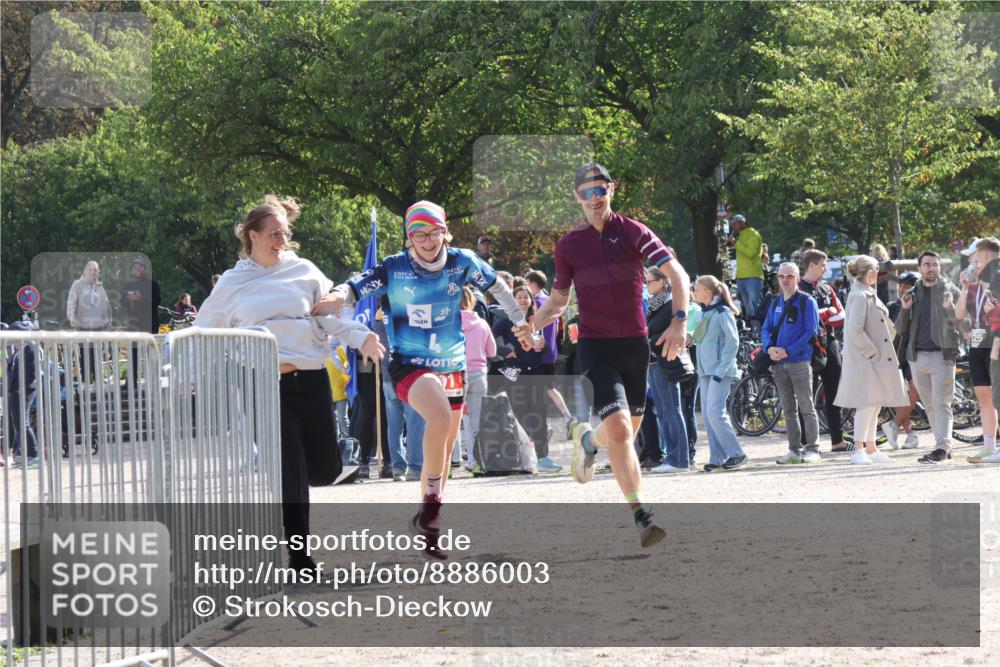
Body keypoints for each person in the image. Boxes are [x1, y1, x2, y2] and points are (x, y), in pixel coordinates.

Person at [316, 200, 527, 559]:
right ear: (408, 238)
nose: (428, 241)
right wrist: (336, 296)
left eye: (434, 233)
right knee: (440, 418)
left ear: (445, 232)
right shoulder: (394, 268)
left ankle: (428, 521)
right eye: (418, 234)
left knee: (444, 452)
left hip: (453, 363)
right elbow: (354, 287)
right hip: (407, 363)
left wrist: (520, 320)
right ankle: (429, 515)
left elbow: (499, 289)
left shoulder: (463, 261)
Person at [196, 194, 384, 573]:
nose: (281, 241)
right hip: (263, 383)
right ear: (251, 235)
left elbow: (330, 317)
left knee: (325, 469)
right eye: (273, 234)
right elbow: (203, 330)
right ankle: (300, 556)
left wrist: (361, 337)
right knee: (290, 470)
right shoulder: (233, 282)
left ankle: (301, 491)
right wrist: (187, 376)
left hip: (311, 379)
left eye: (285, 233)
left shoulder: (304, 271)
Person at [518, 162, 690, 548]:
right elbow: (560, 300)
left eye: (601, 190)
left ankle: (588, 442)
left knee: (621, 432)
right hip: (595, 346)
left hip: (635, 344)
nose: (595, 199)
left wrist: (679, 321)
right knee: (622, 431)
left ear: (612, 190)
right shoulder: (568, 246)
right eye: (587, 193)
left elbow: (677, 275)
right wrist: (534, 324)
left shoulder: (633, 232)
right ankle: (642, 515)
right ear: (576, 197)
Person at [834, 256, 909, 464]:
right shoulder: (859, 294)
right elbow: (854, 330)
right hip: (867, 360)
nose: (878, 272)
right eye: (875, 269)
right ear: (868, 271)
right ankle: (859, 449)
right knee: (866, 405)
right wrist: (873, 352)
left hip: (874, 359)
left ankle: (871, 448)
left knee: (874, 404)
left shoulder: (866, 292)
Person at [895, 250, 962, 464]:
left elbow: (964, 325)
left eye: (935, 264)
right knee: (930, 405)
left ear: (940, 267)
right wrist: (905, 309)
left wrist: (950, 308)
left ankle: (942, 448)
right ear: (919, 268)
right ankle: (942, 446)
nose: (931, 268)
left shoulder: (951, 291)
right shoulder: (914, 292)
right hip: (916, 357)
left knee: (942, 403)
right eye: (927, 265)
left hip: (944, 355)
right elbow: (900, 328)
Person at [493, 285, 562, 472]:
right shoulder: (506, 322)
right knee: (520, 416)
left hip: (537, 372)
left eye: (526, 297)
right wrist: (506, 351)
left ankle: (544, 458)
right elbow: (489, 341)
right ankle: (521, 458)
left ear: (531, 300)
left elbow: (546, 349)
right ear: (513, 300)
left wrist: (543, 345)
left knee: (540, 415)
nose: (523, 300)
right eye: (519, 297)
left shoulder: (536, 321)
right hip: (515, 375)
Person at [763, 262, 822, 464]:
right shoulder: (775, 302)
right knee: (787, 408)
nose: (785, 279)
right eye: (781, 276)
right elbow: (766, 329)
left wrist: (788, 351)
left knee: (807, 406)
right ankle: (794, 450)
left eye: (789, 276)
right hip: (779, 363)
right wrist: (769, 348)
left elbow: (810, 332)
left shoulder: (807, 302)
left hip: (800, 361)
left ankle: (813, 449)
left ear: (797, 278)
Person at [691, 275, 747, 471]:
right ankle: (718, 457)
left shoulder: (722, 312)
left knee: (715, 412)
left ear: (707, 292)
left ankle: (737, 454)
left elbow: (733, 343)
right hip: (706, 371)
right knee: (708, 415)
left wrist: (720, 370)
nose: (693, 291)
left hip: (720, 371)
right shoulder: (704, 312)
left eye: (696, 288)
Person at [798, 250, 850, 452]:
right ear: (811, 265)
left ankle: (837, 440)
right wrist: (827, 313)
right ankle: (807, 443)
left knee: (834, 392)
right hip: (808, 348)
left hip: (830, 344)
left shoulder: (827, 289)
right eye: (823, 264)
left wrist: (823, 314)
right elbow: (806, 320)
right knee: (806, 396)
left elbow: (841, 315)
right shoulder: (798, 290)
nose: (826, 268)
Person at [956, 237, 1000, 461]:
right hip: (977, 344)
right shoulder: (973, 285)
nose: (972, 262)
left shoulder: (996, 279)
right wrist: (964, 288)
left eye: (975, 258)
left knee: (998, 395)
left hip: (995, 342)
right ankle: (989, 445)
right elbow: (959, 314)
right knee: (984, 397)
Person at [644, 266, 691, 473]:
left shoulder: (670, 303)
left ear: (661, 282)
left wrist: (646, 341)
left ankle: (679, 460)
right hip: (654, 362)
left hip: (666, 361)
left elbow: (666, 334)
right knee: (663, 411)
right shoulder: (655, 304)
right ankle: (672, 457)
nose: (647, 286)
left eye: (650, 282)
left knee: (672, 410)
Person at [525, 269, 576, 439]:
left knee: (542, 390)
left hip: (540, 353)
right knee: (546, 389)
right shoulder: (549, 300)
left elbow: (537, 331)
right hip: (549, 352)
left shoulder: (537, 303)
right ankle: (551, 424)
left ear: (532, 284)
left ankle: (564, 420)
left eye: (526, 284)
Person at [883, 272, 922, 449]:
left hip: (911, 355)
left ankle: (893, 425)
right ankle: (910, 434)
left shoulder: (919, 306)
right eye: (901, 285)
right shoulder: (891, 306)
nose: (903, 289)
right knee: (901, 397)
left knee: (915, 392)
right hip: (893, 356)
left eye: (907, 286)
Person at [458, 287, 495, 472]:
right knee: (477, 420)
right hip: (479, 373)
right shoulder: (482, 323)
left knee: (458, 419)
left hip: (458, 374)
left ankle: (454, 459)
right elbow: (493, 352)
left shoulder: (451, 323)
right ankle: (478, 460)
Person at [726, 214, 765, 330]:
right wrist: (730, 243)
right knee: (747, 308)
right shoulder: (739, 236)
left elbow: (751, 253)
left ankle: (758, 332)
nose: (733, 227)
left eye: (735, 224)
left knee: (753, 307)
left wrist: (736, 244)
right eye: (732, 225)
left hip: (753, 276)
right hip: (741, 276)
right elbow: (735, 248)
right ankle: (751, 331)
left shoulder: (754, 234)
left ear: (742, 222)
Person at [67, 260, 112, 332]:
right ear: (85, 270)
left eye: (95, 270)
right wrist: (71, 317)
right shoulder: (77, 285)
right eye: (90, 269)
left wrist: (109, 322)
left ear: (98, 272)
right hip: (82, 328)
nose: (93, 272)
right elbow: (71, 302)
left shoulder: (100, 286)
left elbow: (107, 307)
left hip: (100, 329)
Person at [123, 258, 161, 334]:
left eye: (140, 267)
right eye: (135, 267)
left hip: (150, 322)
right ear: (132, 270)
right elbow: (122, 303)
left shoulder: (153, 284)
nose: (137, 269)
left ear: (144, 269)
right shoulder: (127, 285)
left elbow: (157, 301)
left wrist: (142, 298)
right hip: (133, 323)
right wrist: (128, 298)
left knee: (148, 345)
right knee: (134, 345)